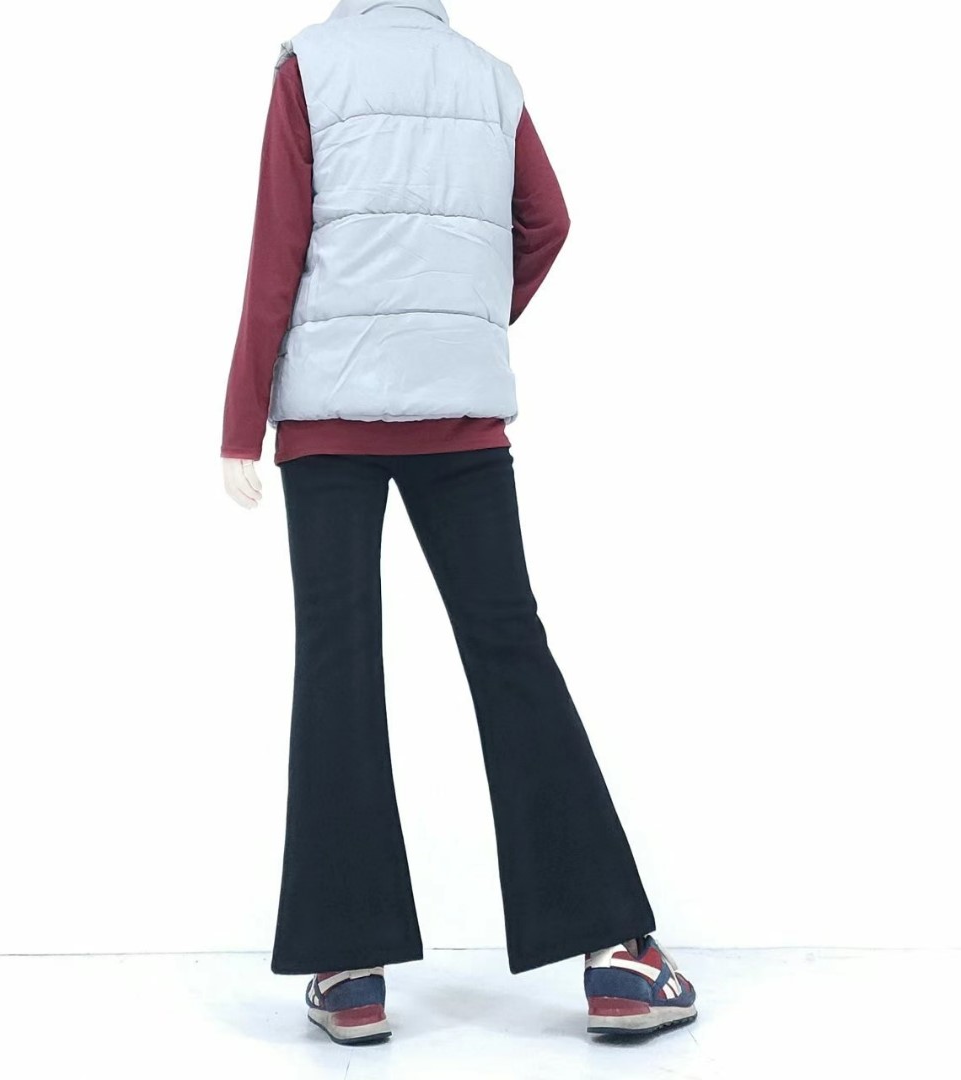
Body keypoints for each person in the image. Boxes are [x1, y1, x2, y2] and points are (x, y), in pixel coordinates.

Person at [220, 0, 697, 1044]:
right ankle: (617, 958)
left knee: (338, 661)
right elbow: (548, 220)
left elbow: (277, 245)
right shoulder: (489, 76)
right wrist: (463, 321)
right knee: (509, 650)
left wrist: (240, 421)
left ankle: (349, 969)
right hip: (460, 413)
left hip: (327, 424)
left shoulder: (310, 65)